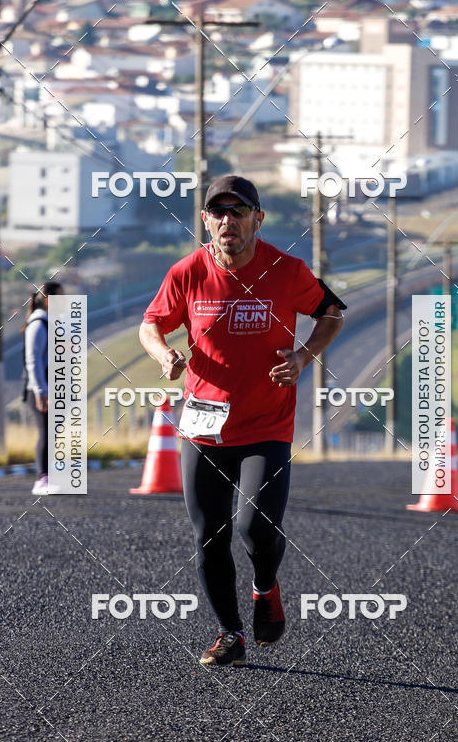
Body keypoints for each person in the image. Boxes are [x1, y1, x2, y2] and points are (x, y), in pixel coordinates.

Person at [139, 175, 346, 666]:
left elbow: (332, 312)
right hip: (203, 427)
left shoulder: (287, 269)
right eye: (219, 212)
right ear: (206, 220)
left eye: (239, 211)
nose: (228, 221)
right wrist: (162, 353)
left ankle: (265, 586)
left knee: (255, 529)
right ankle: (229, 634)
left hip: (265, 427)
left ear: (258, 218)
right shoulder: (187, 272)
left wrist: (303, 356)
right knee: (208, 537)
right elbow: (150, 324)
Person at [21, 281, 63, 495]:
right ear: (48, 300)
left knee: (52, 433)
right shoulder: (38, 323)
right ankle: (42, 479)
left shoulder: (50, 322)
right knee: (46, 432)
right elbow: (33, 360)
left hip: (50, 386)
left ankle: (50, 476)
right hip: (40, 388)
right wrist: (41, 392)